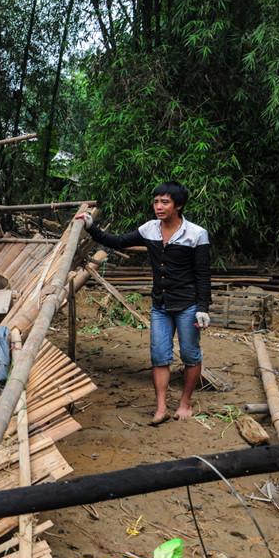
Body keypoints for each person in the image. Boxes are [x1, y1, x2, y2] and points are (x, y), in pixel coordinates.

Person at [76, 182, 211, 425]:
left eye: (165, 202)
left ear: (178, 206)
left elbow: (202, 274)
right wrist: (90, 226)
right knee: (159, 355)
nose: (158, 206)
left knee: (190, 354)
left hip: (188, 305)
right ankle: (161, 407)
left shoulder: (196, 234)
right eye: (156, 201)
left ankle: (185, 403)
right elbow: (117, 241)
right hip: (160, 304)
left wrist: (203, 308)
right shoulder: (149, 229)